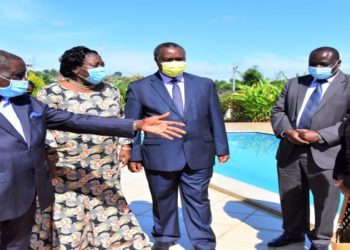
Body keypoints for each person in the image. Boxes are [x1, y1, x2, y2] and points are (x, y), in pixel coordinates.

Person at [0, 49, 185, 250]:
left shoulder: (26, 104)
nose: (24, 81)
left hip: (33, 190)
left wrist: (136, 125)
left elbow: (75, 120)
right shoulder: (50, 93)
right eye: (18, 76)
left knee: (17, 243)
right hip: (42, 176)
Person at [29, 46, 153, 249]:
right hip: (66, 165)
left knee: (107, 202)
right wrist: (48, 157)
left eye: (102, 64)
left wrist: (125, 146)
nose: (101, 68)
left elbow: (121, 118)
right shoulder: (51, 92)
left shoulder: (110, 90)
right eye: (95, 65)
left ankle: (113, 242)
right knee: (70, 208)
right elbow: (43, 127)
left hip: (104, 164)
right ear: (76, 69)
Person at [124, 42, 230, 250]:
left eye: (179, 59)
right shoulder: (140, 88)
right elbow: (132, 124)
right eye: (169, 59)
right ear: (157, 61)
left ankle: (203, 242)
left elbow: (215, 117)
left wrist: (222, 148)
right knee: (162, 198)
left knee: (199, 200)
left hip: (199, 152)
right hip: (159, 154)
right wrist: (135, 154)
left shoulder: (204, 84)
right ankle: (164, 236)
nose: (175, 63)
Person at [270, 46, 350, 250]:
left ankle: (320, 241)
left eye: (323, 64)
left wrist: (321, 135)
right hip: (291, 150)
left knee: (326, 201)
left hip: (328, 153)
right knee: (290, 197)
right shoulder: (294, 83)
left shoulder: (348, 84)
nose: (317, 67)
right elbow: (278, 111)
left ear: (337, 64)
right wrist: (287, 132)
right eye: (312, 63)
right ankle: (293, 234)